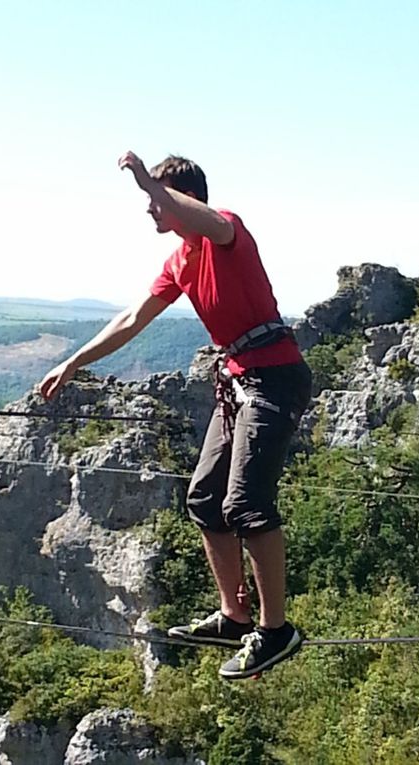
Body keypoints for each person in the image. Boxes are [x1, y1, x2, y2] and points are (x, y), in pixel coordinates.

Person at [39, 151, 312, 679]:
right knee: (206, 499)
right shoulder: (180, 260)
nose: (149, 210)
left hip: (275, 376)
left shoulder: (225, 232)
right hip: (239, 381)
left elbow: (209, 219)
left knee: (247, 504)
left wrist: (147, 179)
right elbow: (131, 319)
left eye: (155, 200)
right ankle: (235, 617)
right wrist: (74, 361)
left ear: (182, 198)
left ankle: (276, 630)